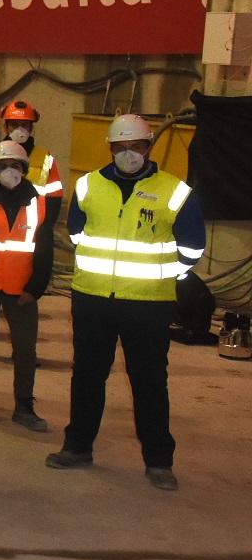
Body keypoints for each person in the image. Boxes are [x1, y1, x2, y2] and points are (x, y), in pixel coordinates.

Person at [47, 114, 203, 490]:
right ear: (111, 148)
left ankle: (159, 460)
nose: (129, 153)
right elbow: (79, 233)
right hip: (93, 299)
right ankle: (78, 446)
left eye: (136, 146)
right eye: (121, 147)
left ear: (149, 147)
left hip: (148, 305)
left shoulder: (175, 192)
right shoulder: (88, 186)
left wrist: (165, 277)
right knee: (87, 376)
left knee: (149, 381)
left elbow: (193, 248)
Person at [0, 141, 55, 430]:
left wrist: (36, 287)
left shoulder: (38, 201)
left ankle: (24, 406)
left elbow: (44, 247)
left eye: (15, 166)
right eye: (3, 166)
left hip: (23, 289)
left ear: (25, 169)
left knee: (25, 350)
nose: (9, 171)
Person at [0, 101, 64, 218]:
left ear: (31, 128)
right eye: (14, 124)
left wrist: (45, 227)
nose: (19, 129)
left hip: (32, 224)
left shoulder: (46, 159)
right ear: (5, 127)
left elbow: (54, 198)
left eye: (24, 125)